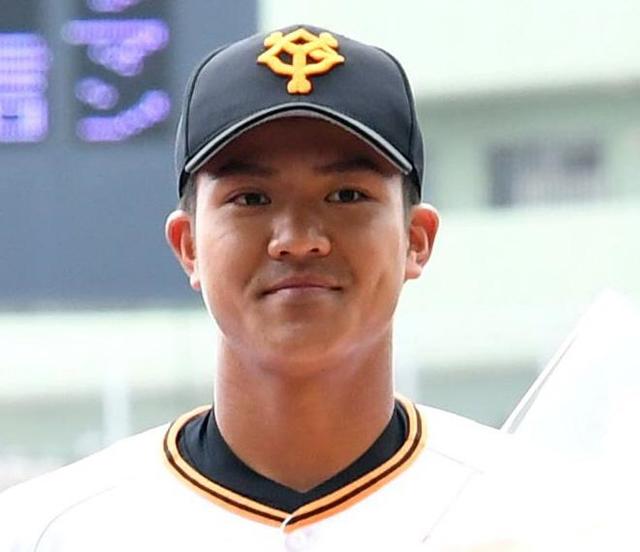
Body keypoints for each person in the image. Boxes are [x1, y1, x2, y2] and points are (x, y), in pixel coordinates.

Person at [0, 24, 506, 550]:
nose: (298, 240)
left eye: (346, 195)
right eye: (251, 199)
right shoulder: (45, 532)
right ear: (189, 246)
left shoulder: (538, 515)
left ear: (416, 240)